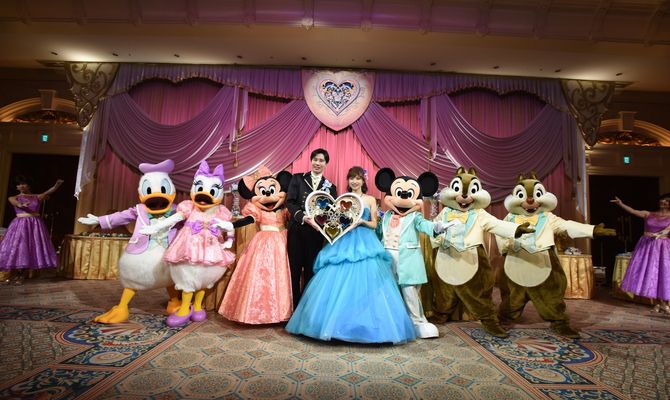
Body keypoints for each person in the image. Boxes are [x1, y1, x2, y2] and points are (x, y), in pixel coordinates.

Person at [286, 167, 415, 344]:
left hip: (365, 241)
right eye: (351, 178)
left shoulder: (370, 200)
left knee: (367, 283)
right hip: (344, 241)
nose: (354, 181)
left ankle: (366, 326)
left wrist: (361, 221)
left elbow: (374, 224)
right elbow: (335, 222)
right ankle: (334, 326)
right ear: (348, 181)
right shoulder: (343, 199)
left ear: (363, 181)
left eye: (358, 178)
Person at [286, 148, 337, 307]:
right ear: (311, 161)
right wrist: (302, 217)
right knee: (294, 269)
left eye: (321, 160)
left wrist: (320, 221)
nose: (317, 163)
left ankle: (306, 308)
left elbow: (331, 211)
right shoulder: (297, 179)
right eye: (315, 159)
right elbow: (290, 202)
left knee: (310, 270)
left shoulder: (331, 187)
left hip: (316, 233)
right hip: (297, 229)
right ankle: (294, 308)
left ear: (326, 164)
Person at [611, 194, 670, 313]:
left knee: (663, 273)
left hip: (663, 247)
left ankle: (664, 303)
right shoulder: (648, 214)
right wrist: (621, 204)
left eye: (666, 200)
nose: (663, 201)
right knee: (651, 273)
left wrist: (658, 235)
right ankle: (657, 303)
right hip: (647, 246)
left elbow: (667, 230)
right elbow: (633, 211)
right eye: (662, 199)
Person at [0, 175, 63, 284]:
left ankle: (21, 275)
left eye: (23, 184)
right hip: (20, 225)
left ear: (28, 185)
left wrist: (56, 186)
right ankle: (12, 274)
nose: (21, 186)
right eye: (18, 184)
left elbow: (49, 191)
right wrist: (21, 204)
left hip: (34, 224)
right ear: (16, 187)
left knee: (30, 248)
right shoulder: (13, 197)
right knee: (17, 247)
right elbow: (16, 203)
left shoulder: (37, 197)